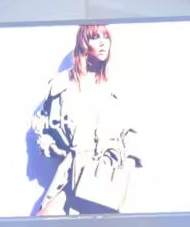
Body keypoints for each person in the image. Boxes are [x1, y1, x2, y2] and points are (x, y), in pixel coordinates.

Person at [32, 22, 139, 216]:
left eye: (106, 38)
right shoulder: (63, 83)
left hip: (106, 175)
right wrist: (51, 146)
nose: (103, 43)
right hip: (72, 171)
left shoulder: (113, 86)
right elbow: (41, 122)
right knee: (47, 220)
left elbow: (129, 131)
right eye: (95, 38)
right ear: (83, 43)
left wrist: (127, 164)